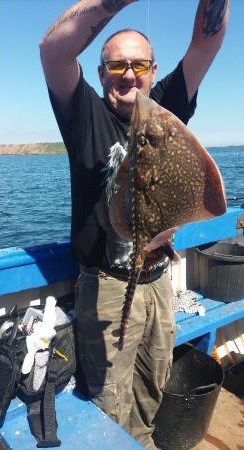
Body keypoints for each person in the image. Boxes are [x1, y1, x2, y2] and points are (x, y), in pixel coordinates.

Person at [40, 1, 229, 448]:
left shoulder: (165, 107)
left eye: (139, 64)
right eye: (116, 65)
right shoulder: (84, 114)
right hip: (106, 286)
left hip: (159, 277)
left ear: (153, 69)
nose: (129, 75)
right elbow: (52, 52)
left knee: (152, 386)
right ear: (101, 73)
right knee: (109, 399)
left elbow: (207, 41)